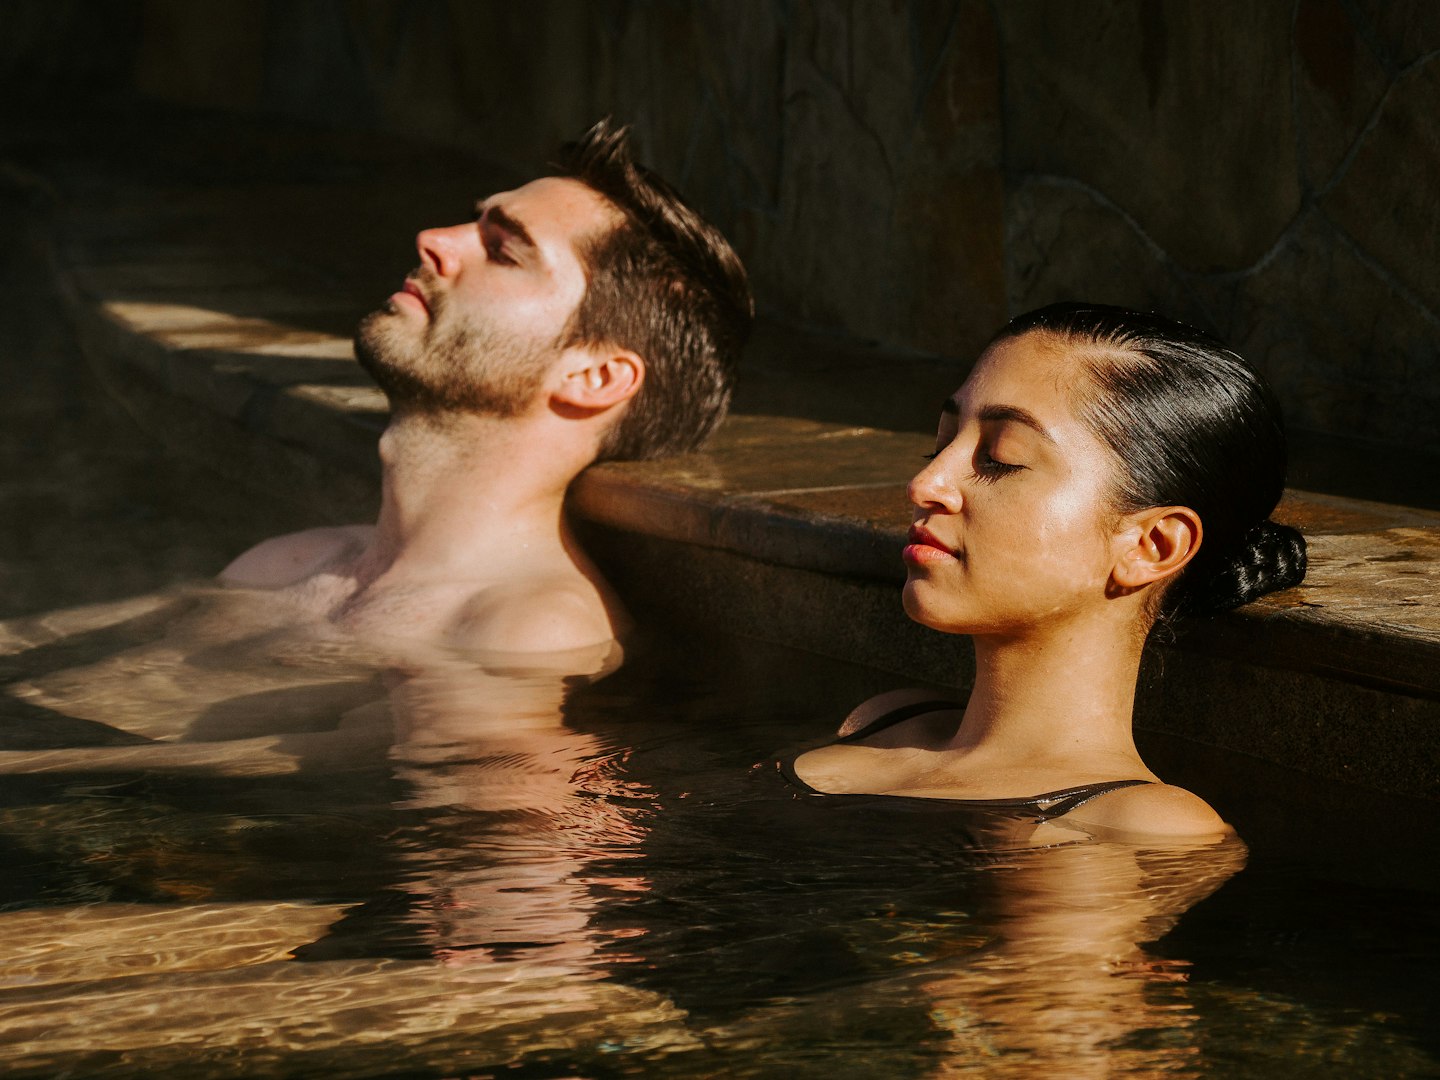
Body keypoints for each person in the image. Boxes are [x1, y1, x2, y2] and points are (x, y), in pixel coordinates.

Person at [220, 118, 752, 665]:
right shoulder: (286, 565)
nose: (434, 240)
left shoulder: (527, 633)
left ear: (593, 377)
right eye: (473, 224)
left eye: (503, 250)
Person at [786, 303, 1307, 838]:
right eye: (942, 444)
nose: (926, 484)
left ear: (1149, 546)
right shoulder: (886, 721)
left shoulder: (1130, 824)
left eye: (1001, 458)